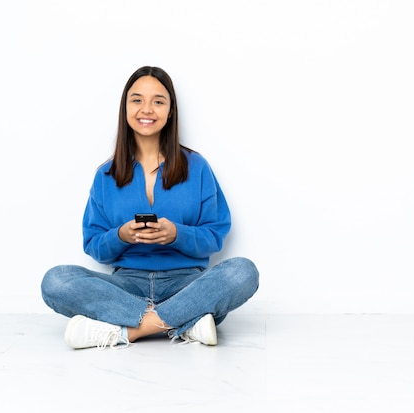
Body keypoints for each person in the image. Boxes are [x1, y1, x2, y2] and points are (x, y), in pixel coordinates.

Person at [41, 66, 259, 350]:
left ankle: (126, 332)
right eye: (137, 100)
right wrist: (121, 235)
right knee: (56, 281)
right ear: (126, 108)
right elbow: (94, 246)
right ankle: (186, 321)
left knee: (242, 271)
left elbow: (214, 236)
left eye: (158, 101)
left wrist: (175, 234)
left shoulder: (197, 167)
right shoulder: (106, 175)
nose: (147, 109)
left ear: (170, 111)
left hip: (186, 284)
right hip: (126, 286)